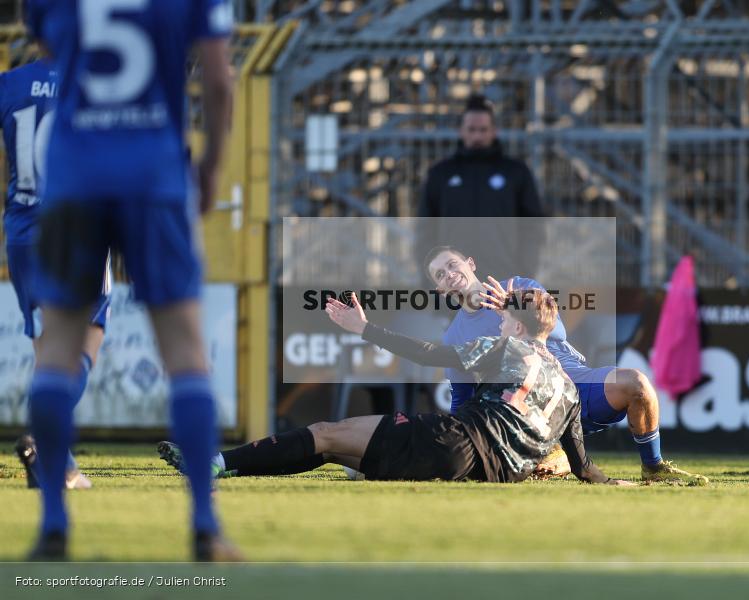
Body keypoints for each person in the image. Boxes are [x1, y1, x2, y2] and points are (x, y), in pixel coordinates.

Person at [25, 0, 237, 560]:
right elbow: (218, 81)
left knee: (58, 349)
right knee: (186, 350)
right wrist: (211, 167)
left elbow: (52, 48)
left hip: (74, 177)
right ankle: (203, 525)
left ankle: (52, 524)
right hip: (156, 175)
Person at [159, 289, 633, 487]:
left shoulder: (507, 348)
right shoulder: (569, 391)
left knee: (326, 432)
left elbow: (428, 354)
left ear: (516, 322)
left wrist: (364, 328)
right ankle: (229, 467)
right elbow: (585, 468)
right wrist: (624, 484)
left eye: (505, 316)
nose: (500, 321)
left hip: (451, 442)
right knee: (337, 449)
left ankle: (216, 463)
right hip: (486, 474)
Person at [424, 246, 709, 485]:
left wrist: (511, 308)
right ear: (439, 289)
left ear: (470, 263)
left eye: (453, 264)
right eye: (441, 274)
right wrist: (451, 445)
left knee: (637, 384)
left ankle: (654, 467)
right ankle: (549, 452)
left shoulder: (521, 287)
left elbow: (557, 331)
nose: (450, 274)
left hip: (571, 385)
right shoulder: (453, 337)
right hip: (526, 415)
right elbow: (461, 398)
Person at [1, 56, 110, 491]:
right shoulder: (99, 80)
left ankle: (58, 462)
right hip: (79, 228)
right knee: (89, 338)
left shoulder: (11, 83)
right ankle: (46, 444)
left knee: (47, 347)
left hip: (24, 231)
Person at [416, 94, 545, 280]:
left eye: (483, 129)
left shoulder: (515, 172)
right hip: (454, 284)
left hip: (502, 280)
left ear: (494, 131)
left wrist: (524, 272)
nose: (477, 136)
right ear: (461, 131)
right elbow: (425, 230)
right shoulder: (441, 174)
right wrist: (430, 277)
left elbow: (532, 228)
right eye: (472, 129)